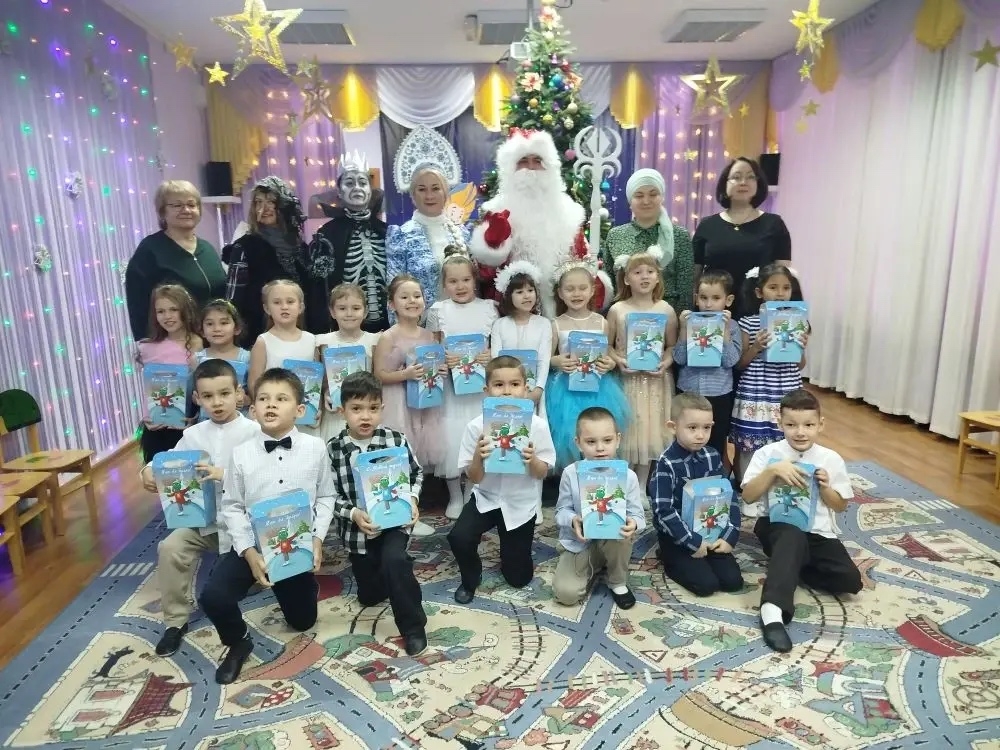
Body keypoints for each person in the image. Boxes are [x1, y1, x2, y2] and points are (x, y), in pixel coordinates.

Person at [198, 368, 335, 684]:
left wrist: (316, 540)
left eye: (281, 399)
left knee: (302, 622)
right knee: (214, 597)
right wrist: (248, 553)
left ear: (300, 410)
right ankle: (238, 641)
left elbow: (327, 496)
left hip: (296, 547)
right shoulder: (241, 454)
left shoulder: (316, 447)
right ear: (252, 408)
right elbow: (232, 506)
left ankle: (303, 587)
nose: (271, 404)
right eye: (263, 399)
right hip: (255, 544)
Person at [140, 359, 261, 656]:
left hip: (245, 526)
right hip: (204, 522)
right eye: (208, 396)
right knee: (170, 548)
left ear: (239, 393)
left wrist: (224, 474)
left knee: (229, 583)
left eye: (224, 393)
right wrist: (148, 471)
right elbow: (168, 460)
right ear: (196, 398)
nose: (217, 402)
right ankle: (175, 622)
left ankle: (246, 574)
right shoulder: (193, 435)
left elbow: (266, 478)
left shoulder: (255, 432)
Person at [741, 389, 862, 652]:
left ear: (820, 424)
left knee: (850, 581)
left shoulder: (831, 458)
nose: (800, 432)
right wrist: (772, 471)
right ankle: (772, 612)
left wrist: (826, 488)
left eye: (808, 425)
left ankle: (791, 564)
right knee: (791, 535)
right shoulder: (767, 453)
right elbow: (748, 496)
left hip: (817, 532)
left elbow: (840, 506)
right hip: (776, 526)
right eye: (791, 425)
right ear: (780, 423)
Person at [327, 372, 428, 656]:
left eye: (373, 408)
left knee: (394, 560)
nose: (365, 416)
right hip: (358, 532)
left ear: (382, 408)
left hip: (394, 523)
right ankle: (389, 576)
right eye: (356, 409)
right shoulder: (334, 449)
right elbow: (328, 496)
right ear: (342, 410)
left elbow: (416, 473)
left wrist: (412, 498)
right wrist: (353, 514)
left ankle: (413, 627)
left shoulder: (395, 440)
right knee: (370, 596)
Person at [469, 129, 611, 317]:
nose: (530, 168)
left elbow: (582, 259)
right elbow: (482, 276)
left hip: (562, 311)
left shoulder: (569, 212)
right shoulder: (496, 210)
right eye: (523, 161)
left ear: (549, 167)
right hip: (513, 315)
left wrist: (591, 279)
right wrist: (492, 244)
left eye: (537, 161)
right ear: (510, 168)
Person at [448, 356, 556, 604]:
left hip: (520, 504)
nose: (507, 391)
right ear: (486, 390)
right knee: (459, 537)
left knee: (518, 578)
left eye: (514, 384)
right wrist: (478, 457)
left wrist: (532, 460)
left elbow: (542, 472)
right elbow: (474, 477)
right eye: (498, 385)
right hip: (485, 498)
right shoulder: (476, 427)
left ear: (526, 389)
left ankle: (513, 555)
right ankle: (470, 577)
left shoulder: (537, 426)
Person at [649, 393, 743, 598]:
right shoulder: (666, 463)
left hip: (710, 529)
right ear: (673, 427)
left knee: (733, 582)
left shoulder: (712, 456)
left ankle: (702, 555)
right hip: (677, 535)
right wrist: (692, 542)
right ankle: (666, 556)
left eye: (706, 428)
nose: (701, 435)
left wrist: (730, 535)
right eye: (692, 428)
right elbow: (663, 511)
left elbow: (728, 496)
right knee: (706, 585)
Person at [427, 252, 498, 520]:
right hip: (451, 388)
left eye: (466, 280)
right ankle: (455, 495)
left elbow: (497, 343)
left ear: (474, 281)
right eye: (453, 281)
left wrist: (490, 355)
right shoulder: (438, 311)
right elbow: (431, 347)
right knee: (452, 437)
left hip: (479, 388)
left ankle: (471, 491)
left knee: (478, 434)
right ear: (444, 284)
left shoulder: (489, 309)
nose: (460, 286)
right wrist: (442, 358)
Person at [552, 407, 644, 609]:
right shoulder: (570, 473)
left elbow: (638, 515)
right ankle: (595, 561)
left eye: (607, 440)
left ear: (618, 440)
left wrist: (633, 524)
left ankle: (617, 580)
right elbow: (560, 512)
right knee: (566, 594)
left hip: (613, 539)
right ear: (578, 443)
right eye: (591, 442)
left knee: (622, 533)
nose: (600, 448)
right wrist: (573, 520)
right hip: (580, 542)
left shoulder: (628, 476)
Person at [731, 264, 809, 499]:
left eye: (786, 288)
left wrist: (800, 347)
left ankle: (782, 485)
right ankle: (747, 486)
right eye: (773, 287)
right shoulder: (748, 323)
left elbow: (800, 365)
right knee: (750, 443)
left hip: (786, 388)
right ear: (759, 292)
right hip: (756, 389)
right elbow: (740, 363)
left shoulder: (798, 320)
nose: (780, 293)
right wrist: (756, 346)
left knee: (785, 437)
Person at [545, 260, 630, 470]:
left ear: (592, 290)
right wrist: (557, 361)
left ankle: (597, 474)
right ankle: (572, 477)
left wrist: (609, 363)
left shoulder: (601, 322)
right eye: (570, 289)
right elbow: (547, 358)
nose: (577, 294)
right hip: (566, 389)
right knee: (570, 433)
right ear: (560, 293)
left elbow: (607, 353)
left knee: (598, 432)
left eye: (582, 288)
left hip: (599, 388)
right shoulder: (556, 324)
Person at [606, 249, 678, 491]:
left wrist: (665, 362)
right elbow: (607, 346)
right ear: (626, 279)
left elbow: (671, 346)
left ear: (658, 277)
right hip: (627, 382)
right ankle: (623, 487)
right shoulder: (617, 310)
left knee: (650, 432)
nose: (644, 276)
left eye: (650, 271)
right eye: (637, 272)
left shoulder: (666, 309)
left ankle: (642, 487)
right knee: (629, 430)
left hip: (655, 382)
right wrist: (619, 360)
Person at [125, 180, 226, 341]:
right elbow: (138, 303)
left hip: (214, 341)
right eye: (177, 205)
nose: (186, 210)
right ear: (162, 212)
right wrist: (148, 342)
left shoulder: (207, 249)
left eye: (191, 205)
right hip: (173, 344)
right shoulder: (150, 250)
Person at [692, 158, 791, 317]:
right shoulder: (707, 225)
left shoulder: (774, 224)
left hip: (759, 316)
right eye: (736, 177)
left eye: (750, 177)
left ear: (758, 184)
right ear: (725, 184)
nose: (743, 182)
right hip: (713, 313)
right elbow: (694, 277)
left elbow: (783, 276)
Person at [307, 153, 389, 334]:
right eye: (350, 183)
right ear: (339, 191)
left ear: (370, 189)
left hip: (389, 329)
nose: (357, 188)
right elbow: (319, 291)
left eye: (362, 182)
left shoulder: (386, 231)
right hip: (346, 331)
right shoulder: (327, 235)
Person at [223, 177, 310, 343]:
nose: (264, 208)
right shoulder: (244, 247)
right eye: (258, 202)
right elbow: (232, 302)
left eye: (271, 201)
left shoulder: (300, 246)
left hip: (300, 333)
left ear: (284, 205)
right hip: (259, 336)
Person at [374, 275, 446, 472]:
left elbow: (433, 366)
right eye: (404, 297)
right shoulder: (388, 337)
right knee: (399, 455)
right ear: (392, 304)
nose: (412, 301)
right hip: (398, 403)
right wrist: (405, 375)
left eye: (417, 296)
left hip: (424, 403)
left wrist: (440, 371)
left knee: (421, 457)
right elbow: (379, 375)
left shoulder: (430, 336)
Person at [603, 168, 695, 317]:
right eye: (639, 195)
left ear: (662, 197)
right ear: (630, 201)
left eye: (653, 194)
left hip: (667, 318)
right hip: (624, 318)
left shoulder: (679, 236)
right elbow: (610, 287)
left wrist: (679, 324)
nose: (646, 201)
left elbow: (685, 288)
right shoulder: (615, 235)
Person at [673, 270, 742, 460]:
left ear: (728, 300)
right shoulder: (689, 322)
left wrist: (724, 331)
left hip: (719, 394)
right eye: (703, 298)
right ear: (696, 298)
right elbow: (679, 359)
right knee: (685, 439)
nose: (708, 304)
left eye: (716, 298)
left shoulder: (733, 326)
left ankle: (712, 476)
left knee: (715, 441)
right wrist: (684, 329)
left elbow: (731, 361)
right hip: (688, 392)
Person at [386, 164, 470, 312]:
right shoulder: (401, 235)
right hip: (419, 323)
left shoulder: (462, 233)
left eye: (435, 188)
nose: (429, 196)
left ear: (445, 193)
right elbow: (393, 292)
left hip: (463, 320)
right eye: (422, 189)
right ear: (413, 195)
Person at [136, 284, 203, 461]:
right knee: (160, 471)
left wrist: (195, 417)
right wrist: (146, 416)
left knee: (189, 473)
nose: (167, 316)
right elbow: (147, 387)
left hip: (187, 425)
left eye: (173, 309)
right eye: (161, 311)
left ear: (185, 310)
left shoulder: (198, 344)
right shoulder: (147, 347)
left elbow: (202, 385)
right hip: (156, 427)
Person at [315, 284, 381, 442]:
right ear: (332, 312)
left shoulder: (375, 340)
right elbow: (320, 380)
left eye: (356, 308)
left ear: (365, 311)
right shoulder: (322, 342)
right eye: (342, 308)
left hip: (365, 412)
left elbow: (378, 377)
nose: (349, 313)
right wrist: (326, 392)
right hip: (334, 414)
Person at [490, 261, 551, 415]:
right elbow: (496, 359)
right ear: (508, 296)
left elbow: (544, 360)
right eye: (519, 292)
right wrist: (503, 388)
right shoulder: (499, 324)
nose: (526, 296)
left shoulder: (544, 324)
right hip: (505, 390)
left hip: (533, 391)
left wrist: (538, 389)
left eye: (530, 290)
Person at [247, 280, 317, 398]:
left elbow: (316, 380)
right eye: (277, 302)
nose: (284, 307)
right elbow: (254, 384)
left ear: (301, 307)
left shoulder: (311, 340)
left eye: (290, 302)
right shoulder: (263, 342)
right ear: (267, 308)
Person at [191, 299, 251, 420]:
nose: (217, 328)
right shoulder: (197, 359)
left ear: (237, 328)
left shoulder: (247, 357)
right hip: (206, 423)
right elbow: (194, 396)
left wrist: (244, 400)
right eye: (210, 324)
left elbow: (254, 396)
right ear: (202, 331)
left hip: (238, 422)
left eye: (224, 323)